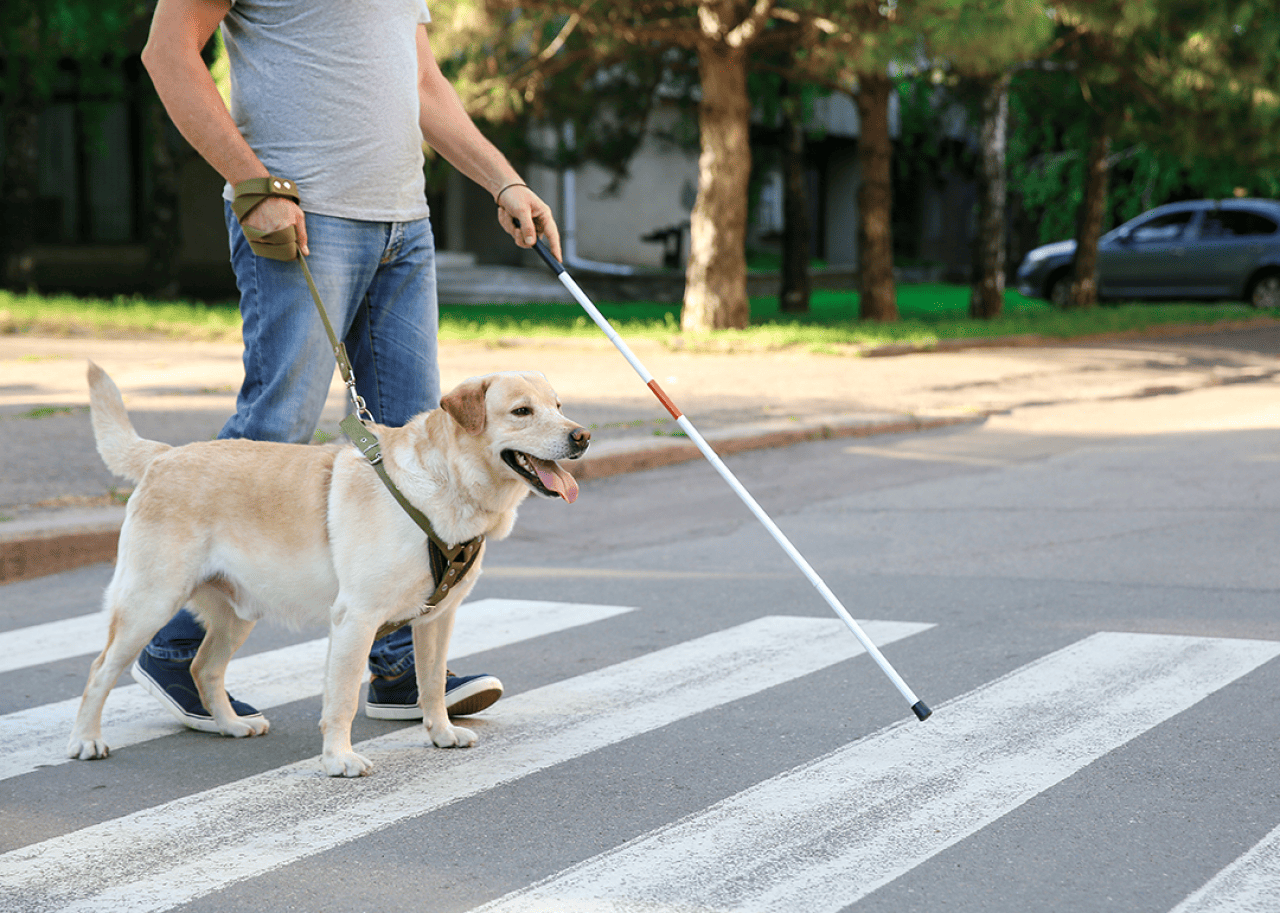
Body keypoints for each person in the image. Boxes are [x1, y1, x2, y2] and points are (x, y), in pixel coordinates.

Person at [133, 0, 561, 733]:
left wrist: (504, 180)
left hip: (405, 226)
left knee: (413, 458)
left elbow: (423, 84)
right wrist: (250, 181)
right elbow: (168, 53)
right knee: (277, 427)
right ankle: (177, 645)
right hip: (300, 215)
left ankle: (395, 662)